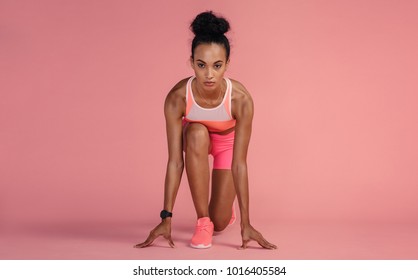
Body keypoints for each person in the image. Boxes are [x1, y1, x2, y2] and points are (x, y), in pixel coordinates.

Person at [134, 11, 277, 250]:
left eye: (217, 66)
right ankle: (203, 223)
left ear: (227, 65)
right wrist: (165, 218)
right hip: (196, 142)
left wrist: (246, 223)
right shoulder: (178, 97)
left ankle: (220, 214)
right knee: (196, 132)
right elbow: (174, 162)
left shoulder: (240, 99)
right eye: (201, 65)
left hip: (226, 146)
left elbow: (240, 164)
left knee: (220, 221)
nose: (209, 74)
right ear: (191, 63)